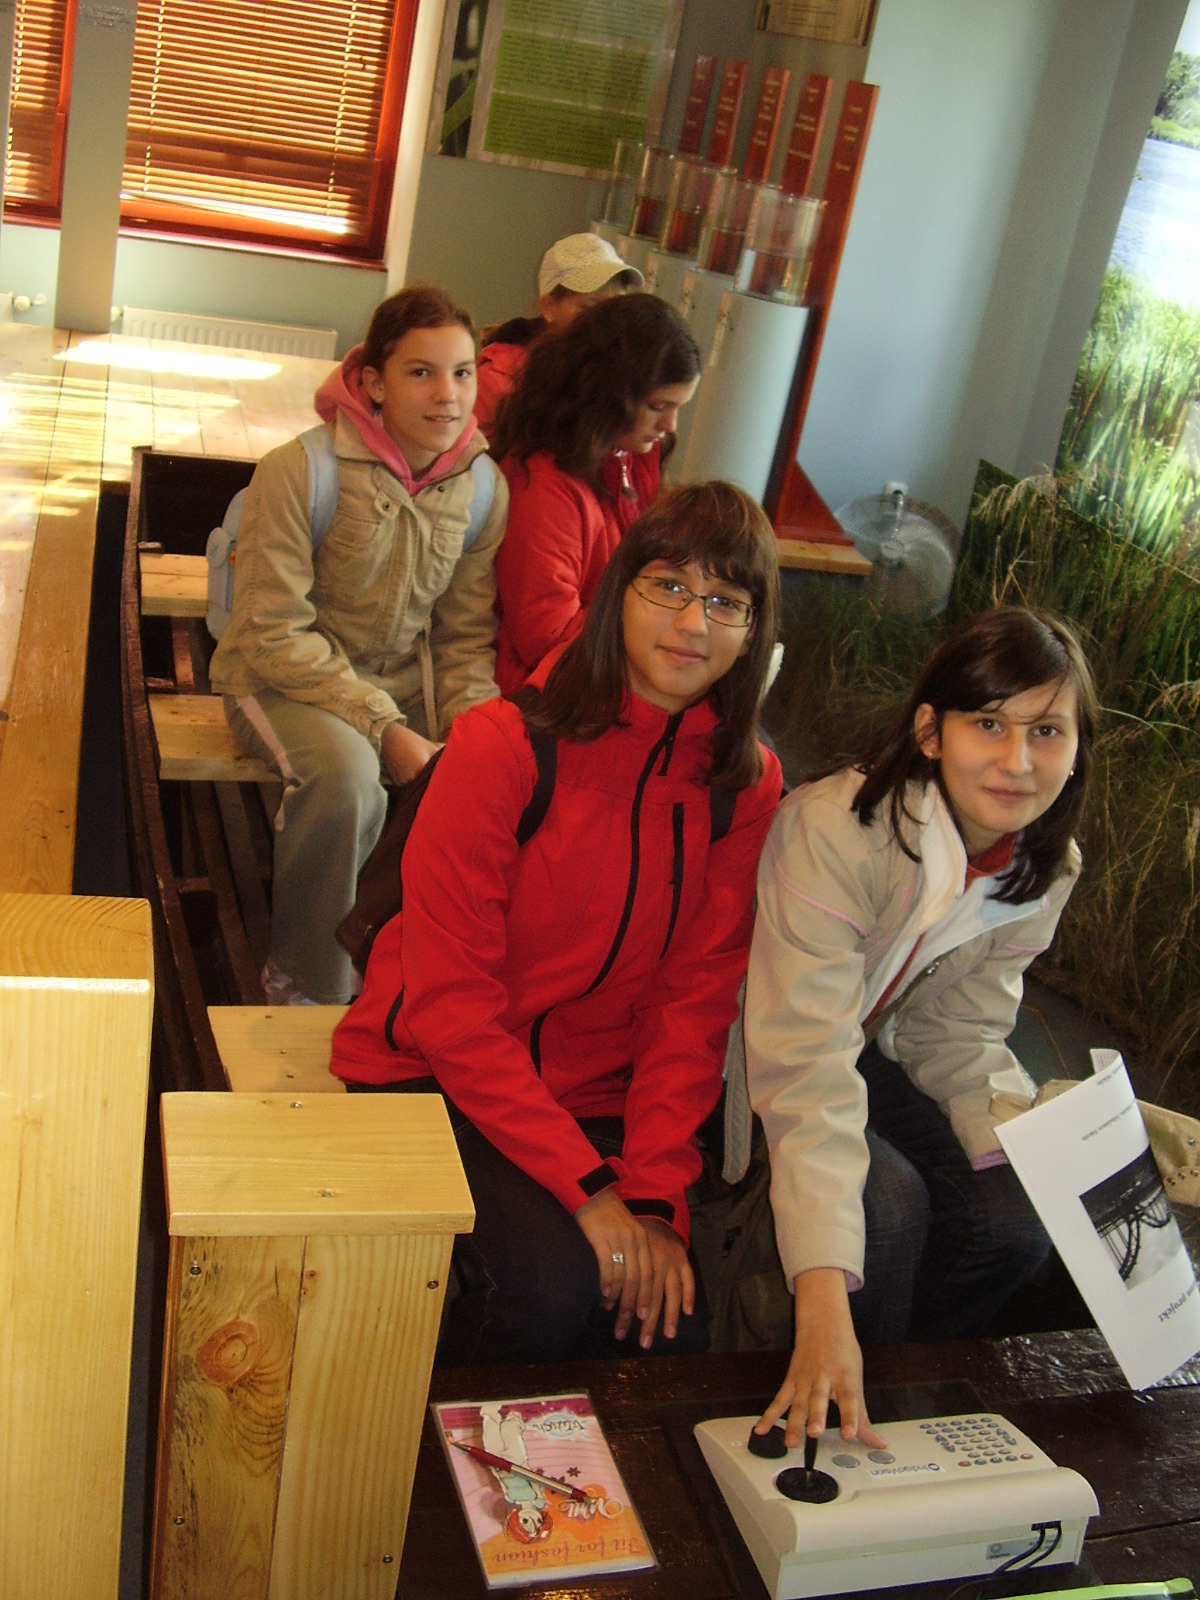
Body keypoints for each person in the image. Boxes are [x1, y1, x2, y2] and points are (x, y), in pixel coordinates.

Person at [331, 481, 784, 1366]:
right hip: (432, 1071)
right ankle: (418, 1442)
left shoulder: (745, 787)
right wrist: (589, 1194)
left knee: (669, 1323)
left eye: (726, 601)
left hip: (594, 1093)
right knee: (550, 1288)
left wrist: (654, 1199)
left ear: (753, 631)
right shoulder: (504, 745)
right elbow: (450, 1007)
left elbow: (691, 1012)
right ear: (620, 592)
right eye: (669, 586)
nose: (693, 622)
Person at [744, 606, 1098, 1449]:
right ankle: (832, 1409)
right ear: (931, 732)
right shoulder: (839, 831)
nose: (1018, 762)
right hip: (745, 1053)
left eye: (1047, 731)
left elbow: (958, 1030)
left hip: (859, 1045)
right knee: (887, 1206)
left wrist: (1036, 1141)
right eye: (990, 725)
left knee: (1013, 1218)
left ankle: (897, 1400)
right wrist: (824, 1294)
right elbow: (804, 1063)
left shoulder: (1043, 865)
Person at [210, 285, 507, 1006]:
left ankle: (424, 984)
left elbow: (464, 639)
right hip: (277, 680)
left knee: (494, 775)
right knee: (347, 780)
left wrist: (479, 730)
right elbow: (274, 631)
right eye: (421, 372)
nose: (447, 395)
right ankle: (305, 983)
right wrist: (384, 728)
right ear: (373, 382)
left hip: (392, 688)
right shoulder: (300, 470)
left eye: (462, 372)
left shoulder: (482, 489)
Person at [489, 292, 701, 695]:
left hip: (607, 672)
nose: (670, 425)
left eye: (679, 408)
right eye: (659, 406)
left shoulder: (630, 455)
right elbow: (545, 637)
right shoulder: (544, 482)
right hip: (553, 692)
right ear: (608, 394)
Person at [473, 233, 643, 434]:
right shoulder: (499, 379)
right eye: (590, 308)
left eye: (614, 309)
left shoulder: (619, 373)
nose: (606, 321)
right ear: (549, 307)